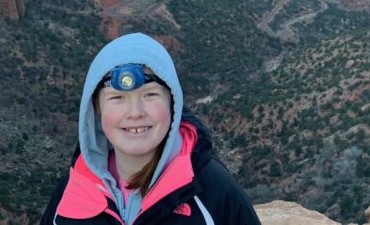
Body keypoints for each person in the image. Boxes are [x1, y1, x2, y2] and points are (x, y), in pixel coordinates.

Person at [41, 33, 260, 224]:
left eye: (150, 95)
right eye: (117, 98)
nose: (135, 112)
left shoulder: (214, 193)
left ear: (173, 103)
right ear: (97, 108)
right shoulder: (71, 196)